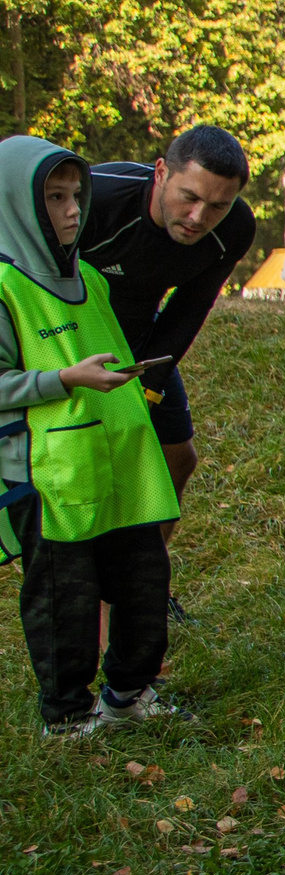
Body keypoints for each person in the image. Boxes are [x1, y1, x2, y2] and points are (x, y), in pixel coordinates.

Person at [0, 139, 182, 733]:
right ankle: (68, 717)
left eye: (76, 195)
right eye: (54, 198)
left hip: (125, 463)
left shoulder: (89, 278)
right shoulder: (4, 285)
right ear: (17, 202)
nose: (73, 210)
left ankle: (129, 693)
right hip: (52, 475)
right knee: (65, 603)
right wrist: (63, 379)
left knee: (144, 585)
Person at [79, 125, 254, 621]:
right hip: (74, 341)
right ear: (161, 173)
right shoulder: (98, 199)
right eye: (189, 197)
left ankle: (140, 588)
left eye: (217, 206)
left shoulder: (235, 227)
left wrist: (150, 385)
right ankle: (90, 599)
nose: (200, 217)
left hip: (142, 341)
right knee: (97, 474)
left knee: (179, 458)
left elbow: (189, 309)